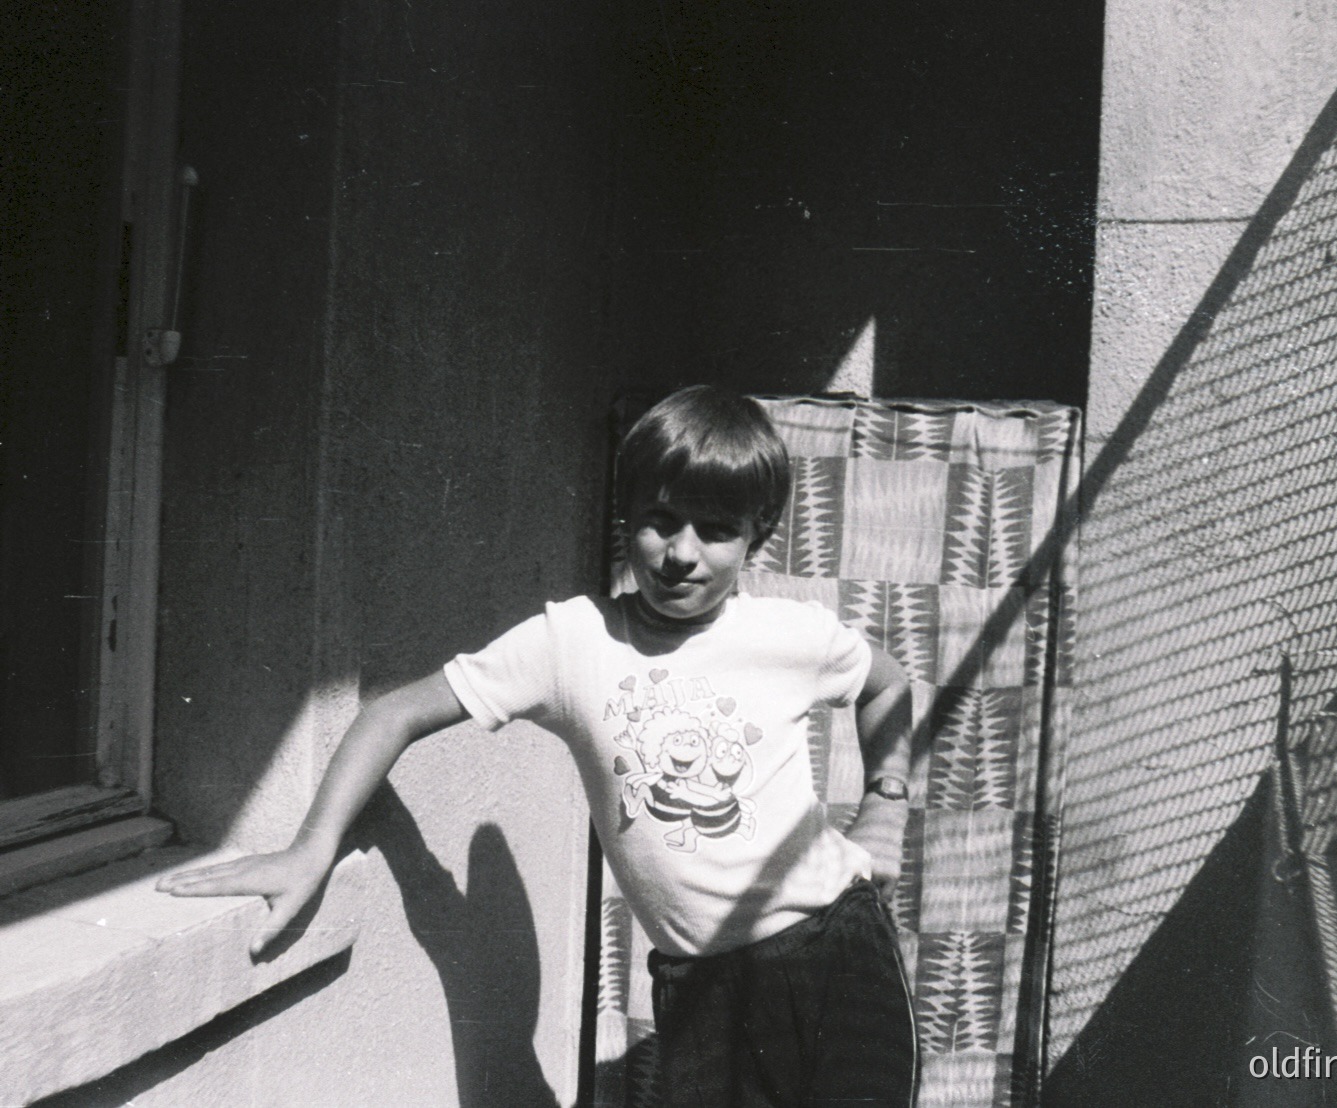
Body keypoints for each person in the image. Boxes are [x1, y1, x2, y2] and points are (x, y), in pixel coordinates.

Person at [159, 384, 918, 1106]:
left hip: (836, 952)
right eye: (661, 519)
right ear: (624, 516)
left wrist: (886, 805)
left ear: (759, 533)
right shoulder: (571, 641)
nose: (681, 552)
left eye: (716, 530)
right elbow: (391, 714)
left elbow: (888, 684)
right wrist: (310, 847)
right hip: (704, 987)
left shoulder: (790, 636)